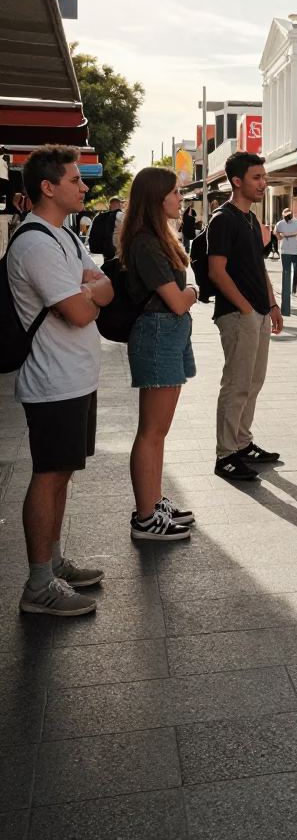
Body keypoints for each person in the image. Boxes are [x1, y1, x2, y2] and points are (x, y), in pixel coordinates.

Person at [7, 146, 115, 616]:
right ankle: (37, 584)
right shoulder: (34, 243)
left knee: (62, 474)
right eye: (75, 180)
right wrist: (90, 291)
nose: (84, 186)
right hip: (51, 381)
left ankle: (50, 562)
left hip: (75, 377)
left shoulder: (65, 236)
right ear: (48, 188)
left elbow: (104, 285)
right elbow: (77, 311)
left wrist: (91, 290)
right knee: (48, 476)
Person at [122, 168, 199, 540]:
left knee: (159, 431)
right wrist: (194, 293)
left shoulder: (156, 237)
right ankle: (145, 518)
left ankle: (153, 502)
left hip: (166, 333)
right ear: (156, 198)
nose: (180, 198)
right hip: (157, 332)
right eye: (175, 192)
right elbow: (177, 301)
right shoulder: (146, 242)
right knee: (151, 432)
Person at [207, 151, 283, 481]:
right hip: (238, 315)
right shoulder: (223, 219)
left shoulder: (252, 219)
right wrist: (247, 309)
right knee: (236, 385)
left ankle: (242, 443)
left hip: (259, 312)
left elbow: (258, 266)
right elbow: (216, 271)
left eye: (264, 177)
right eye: (257, 177)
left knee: (253, 383)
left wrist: (272, 305)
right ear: (237, 181)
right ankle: (225, 455)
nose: (263, 183)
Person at [274, 207, 297, 316]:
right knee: (286, 273)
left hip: (295, 251)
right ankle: (286, 305)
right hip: (284, 251)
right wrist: (279, 235)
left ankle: (294, 287)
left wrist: (292, 235)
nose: (287, 218)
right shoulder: (280, 223)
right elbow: (276, 232)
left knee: (296, 269)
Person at [87, 195, 123, 261]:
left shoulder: (99, 217)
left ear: (110, 205)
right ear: (119, 205)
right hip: (118, 253)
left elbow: (89, 234)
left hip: (104, 251)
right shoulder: (121, 216)